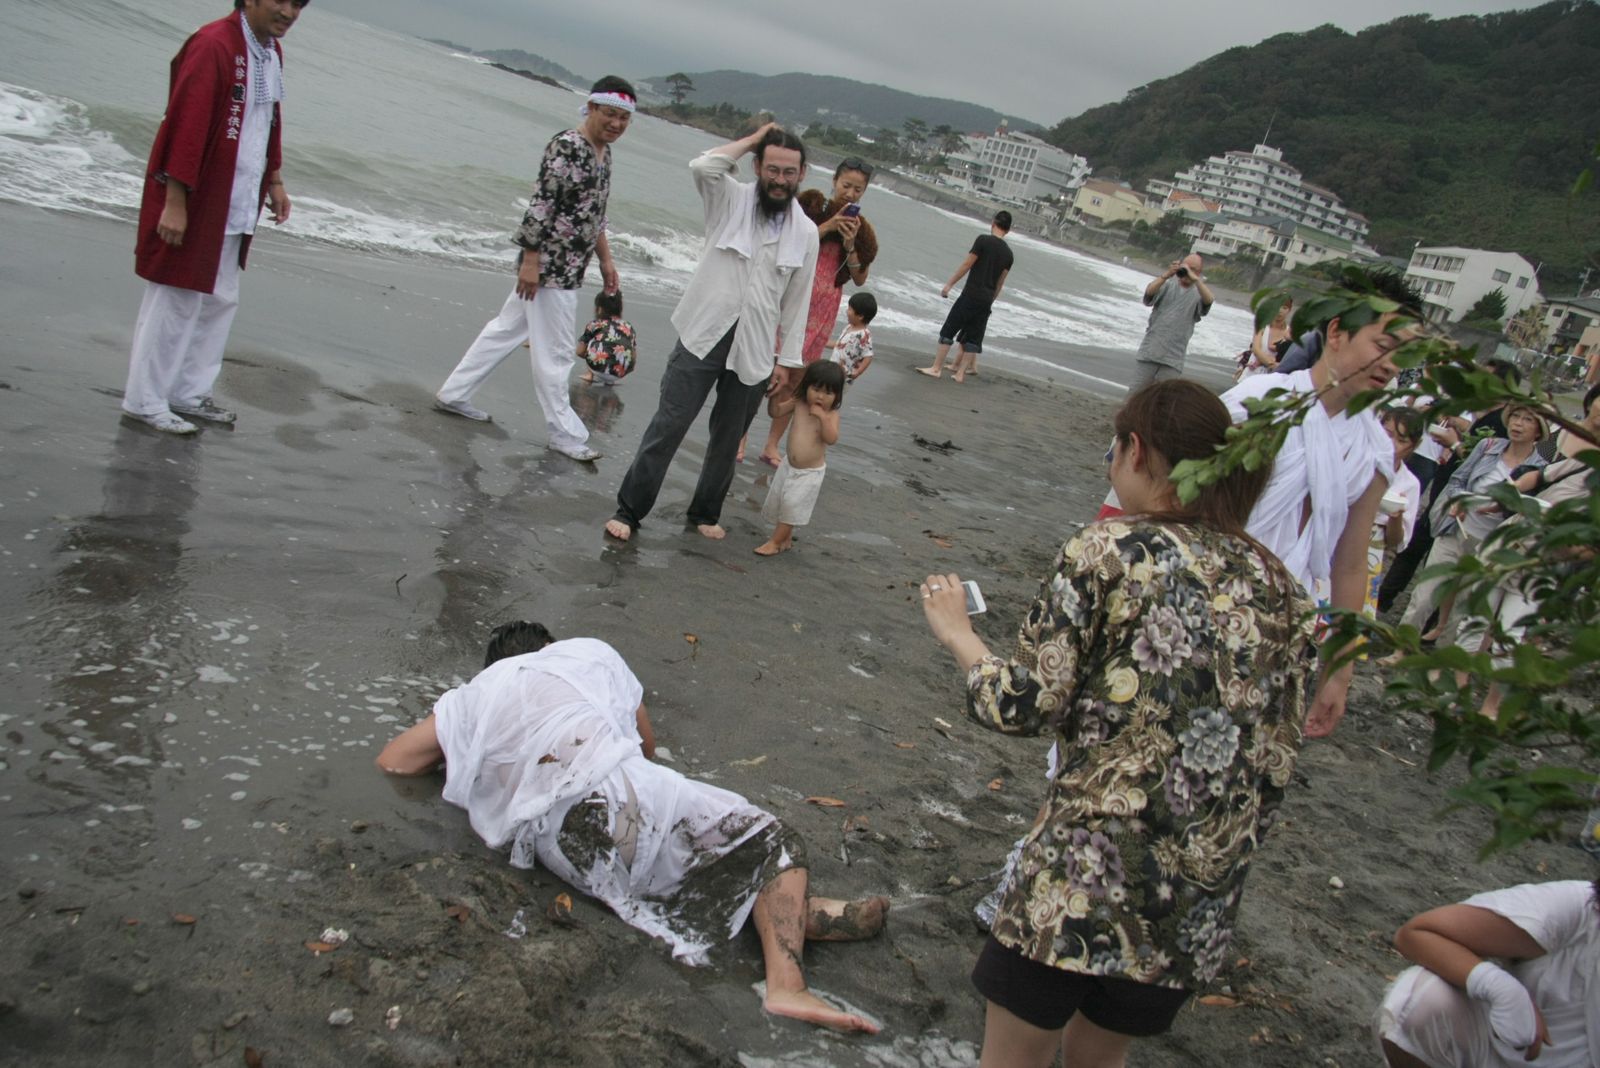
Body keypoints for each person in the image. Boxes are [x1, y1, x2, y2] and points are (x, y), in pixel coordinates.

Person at [919, 379, 1316, 1068]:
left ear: (1137, 451)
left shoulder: (1108, 551)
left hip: (1085, 874)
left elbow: (1023, 704)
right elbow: (1278, 756)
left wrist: (960, 636)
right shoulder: (1284, 588)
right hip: (1197, 895)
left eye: (1115, 448)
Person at [376, 621, 887, 1033]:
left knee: (675, 868)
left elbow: (394, 761)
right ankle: (787, 986)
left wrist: (469, 762)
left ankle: (801, 917)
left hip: (559, 843)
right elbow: (646, 745)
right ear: (552, 647)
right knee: (772, 841)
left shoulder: (478, 696)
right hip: (617, 802)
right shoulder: (585, 653)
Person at [1220, 269, 1423, 737]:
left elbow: (1350, 563)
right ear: (1336, 332)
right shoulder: (1257, 402)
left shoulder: (1374, 448)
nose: (1392, 364)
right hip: (1209, 595)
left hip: (1287, 621)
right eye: (1382, 344)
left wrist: (1339, 673)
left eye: (1403, 353)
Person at [604, 124, 819, 542]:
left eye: (789, 172)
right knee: (669, 425)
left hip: (755, 347)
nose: (779, 180)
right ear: (757, 166)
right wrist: (756, 138)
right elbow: (704, 166)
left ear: (802, 175)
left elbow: (797, 302)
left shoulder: (806, 233)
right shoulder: (729, 200)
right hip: (702, 333)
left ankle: (705, 512)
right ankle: (629, 512)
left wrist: (787, 362)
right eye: (771, 169)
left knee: (727, 439)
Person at [121, 0, 309, 435]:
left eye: (298, 4)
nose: (289, 12)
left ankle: (187, 392)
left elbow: (269, 121)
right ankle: (145, 400)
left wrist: (275, 180)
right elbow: (183, 124)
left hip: (238, 195)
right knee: (176, 297)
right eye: (280, 1)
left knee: (221, 298)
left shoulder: (268, 51)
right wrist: (175, 201)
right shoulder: (214, 44)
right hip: (200, 195)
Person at [432, 76, 634, 461]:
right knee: (556, 352)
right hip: (548, 268)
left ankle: (454, 394)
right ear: (591, 108)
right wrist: (530, 262)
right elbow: (541, 204)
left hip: (572, 265)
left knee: (505, 329)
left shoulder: (604, 154)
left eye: (625, 118)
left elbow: (596, 213)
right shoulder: (567, 146)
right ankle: (564, 432)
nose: (617, 124)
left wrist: (606, 258)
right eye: (610, 114)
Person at [1376, 879, 1600, 1067]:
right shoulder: (1576, 910)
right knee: (1424, 1000)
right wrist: (1500, 988)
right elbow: (1417, 935)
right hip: (1499, 1051)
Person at [754, 159, 876, 467]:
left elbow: (860, 278)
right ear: (834, 180)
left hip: (824, 308)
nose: (850, 193)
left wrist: (849, 245)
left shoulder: (862, 232)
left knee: (798, 377)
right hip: (793, 298)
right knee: (764, 368)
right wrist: (828, 227)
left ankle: (771, 445)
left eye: (858, 189)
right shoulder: (810, 209)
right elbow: (786, 243)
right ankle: (740, 437)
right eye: (846, 185)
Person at [1397, 404, 1547, 649]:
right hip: (1456, 529)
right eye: (1515, 417)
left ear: (1538, 431)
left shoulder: (1538, 469)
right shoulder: (1488, 446)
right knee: (1425, 594)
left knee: (1464, 606)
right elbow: (1458, 479)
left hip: (1492, 544)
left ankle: (1442, 659)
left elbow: (1530, 509)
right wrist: (1459, 501)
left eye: (1527, 420)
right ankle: (1400, 648)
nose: (1517, 424)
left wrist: (1502, 506)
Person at [754, 361, 843, 557]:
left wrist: (822, 418)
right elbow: (775, 412)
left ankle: (775, 542)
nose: (820, 396)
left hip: (809, 473)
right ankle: (785, 539)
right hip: (788, 466)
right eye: (816, 389)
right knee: (782, 502)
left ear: (836, 396)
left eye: (828, 393)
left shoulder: (831, 414)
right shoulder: (799, 403)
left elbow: (832, 439)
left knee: (792, 506)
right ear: (806, 386)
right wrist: (775, 395)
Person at [916, 211, 1014, 382]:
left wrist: (949, 285)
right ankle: (960, 374)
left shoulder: (983, 240)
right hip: (986, 299)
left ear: (993, 223)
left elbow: (967, 264)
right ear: (1008, 230)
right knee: (973, 338)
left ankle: (936, 368)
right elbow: (1000, 283)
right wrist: (990, 300)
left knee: (949, 330)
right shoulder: (1009, 254)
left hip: (970, 294)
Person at [1129, 253, 1214, 391]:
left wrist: (1196, 280)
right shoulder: (1167, 284)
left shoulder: (1199, 293)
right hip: (1150, 351)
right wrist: (1167, 274)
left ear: (1199, 272)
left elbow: (1209, 300)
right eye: (1186, 267)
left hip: (1173, 359)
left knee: (1163, 399)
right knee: (1135, 395)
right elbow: (1149, 294)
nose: (1188, 272)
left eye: (1194, 269)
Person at [577, 290, 637, 385]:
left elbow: (579, 352)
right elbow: (633, 356)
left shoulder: (595, 324)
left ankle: (590, 374)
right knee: (619, 345)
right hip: (621, 371)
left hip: (597, 367)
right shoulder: (628, 326)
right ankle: (610, 379)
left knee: (594, 341)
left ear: (599, 309)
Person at [1235, 297, 1294, 379]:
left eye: (1284, 308)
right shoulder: (1262, 325)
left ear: (1289, 310)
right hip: (1251, 375)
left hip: (1272, 379)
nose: (1280, 310)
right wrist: (1271, 364)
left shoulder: (1289, 333)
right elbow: (1256, 349)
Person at [830, 291, 877, 385]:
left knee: (833, 396)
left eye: (850, 309)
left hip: (844, 376)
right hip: (833, 369)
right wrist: (821, 343)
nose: (847, 311)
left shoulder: (864, 334)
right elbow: (840, 345)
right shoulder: (849, 327)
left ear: (860, 316)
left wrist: (858, 371)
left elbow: (868, 356)